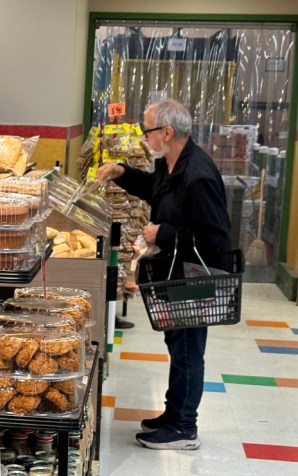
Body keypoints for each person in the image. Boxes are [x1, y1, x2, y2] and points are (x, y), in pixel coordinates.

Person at [96, 99, 232, 450]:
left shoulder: (197, 174)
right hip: (174, 272)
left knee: (188, 350)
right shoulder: (171, 164)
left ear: (167, 132)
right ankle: (174, 415)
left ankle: (185, 428)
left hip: (193, 275)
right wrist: (122, 173)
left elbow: (215, 236)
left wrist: (164, 233)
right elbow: (152, 187)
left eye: (148, 130)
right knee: (178, 346)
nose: (145, 137)